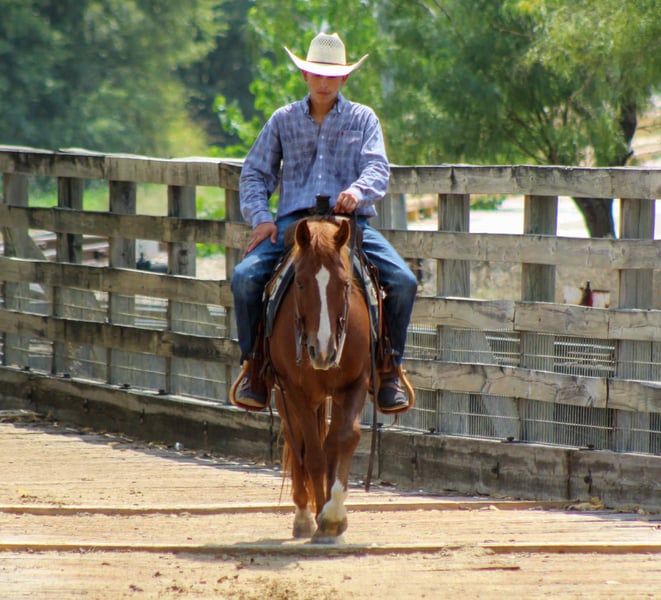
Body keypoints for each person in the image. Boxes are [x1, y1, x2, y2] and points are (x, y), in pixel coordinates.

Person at [230, 31, 417, 413]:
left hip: (347, 226)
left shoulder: (363, 118)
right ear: (305, 75)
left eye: (332, 75)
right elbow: (255, 173)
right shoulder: (282, 120)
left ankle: (389, 369)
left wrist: (357, 192)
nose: (324, 82)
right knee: (245, 278)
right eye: (317, 73)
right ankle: (255, 367)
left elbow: (377, 168)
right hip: (293, 227)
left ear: (344, 77)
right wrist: (262, 218)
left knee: (403, 281)